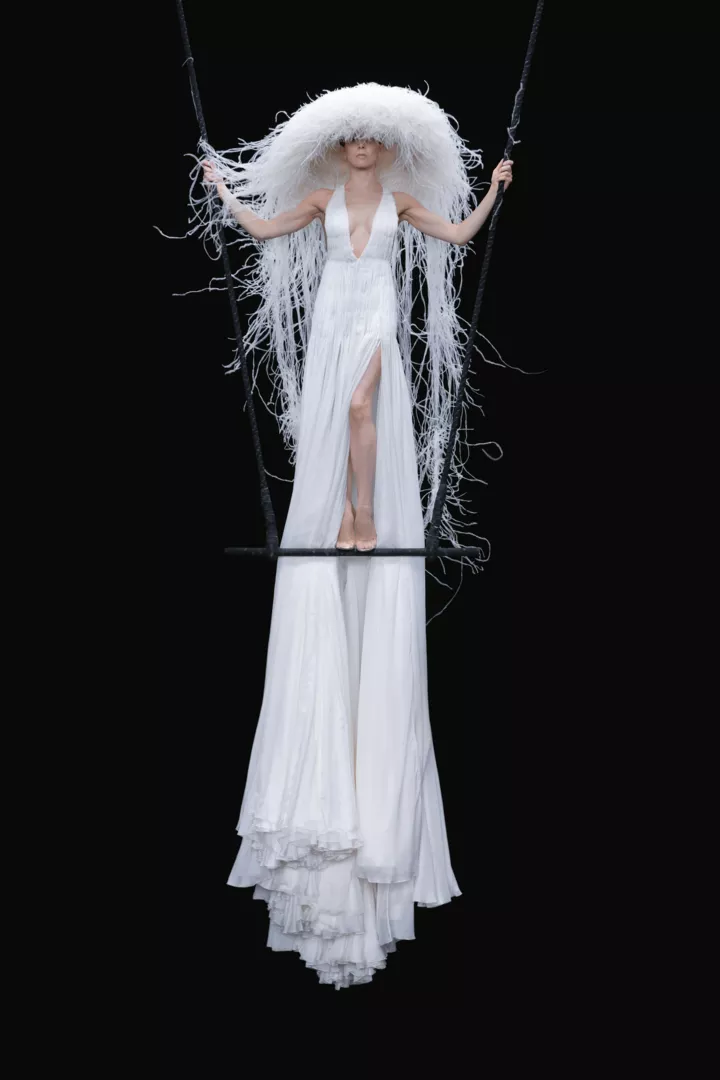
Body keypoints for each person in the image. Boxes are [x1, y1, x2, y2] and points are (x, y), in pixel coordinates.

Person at [195, 84, 512, 988]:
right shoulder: (322, 201)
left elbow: (457, 238)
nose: (364, 150)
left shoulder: (403, 202)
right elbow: (264, 231)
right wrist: (222, 192)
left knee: (367, 409)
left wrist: (494, 190)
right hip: (333, 320)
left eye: (375, 140)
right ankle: (342, 510)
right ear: (340, 150)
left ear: (388, 149)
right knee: (336, 419)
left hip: (374, 322)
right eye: (354, 141)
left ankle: (366, 514)